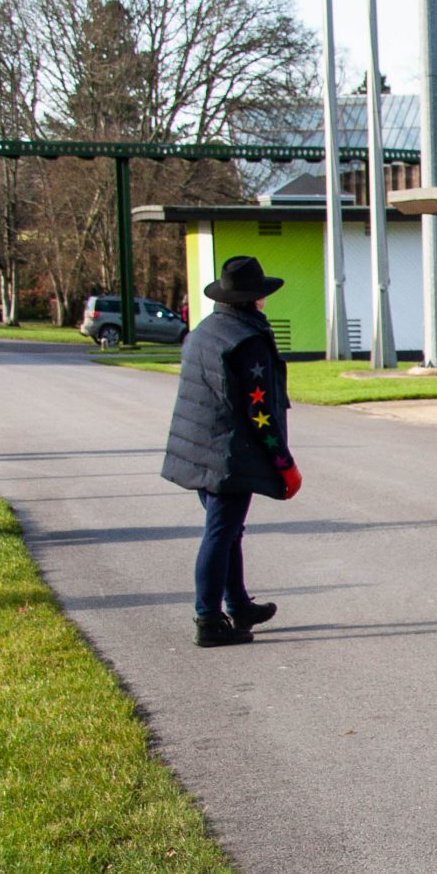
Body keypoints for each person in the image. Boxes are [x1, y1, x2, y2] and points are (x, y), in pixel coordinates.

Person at [159, 256, 299, 647]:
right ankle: (208, 619)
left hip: (201, 447)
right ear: (255, 299)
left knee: (228, 530)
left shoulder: (205, 330)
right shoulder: (247, 340)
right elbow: (260, 410)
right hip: (228, 453)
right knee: (220, 533)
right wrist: (282, 462)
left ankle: (238, 605)